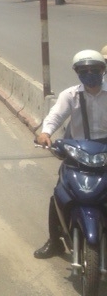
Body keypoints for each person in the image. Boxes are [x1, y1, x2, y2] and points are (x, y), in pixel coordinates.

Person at [33, 49, 107, 259]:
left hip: (106, 152)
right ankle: (54, 241)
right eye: (84, 70)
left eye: (95, 69)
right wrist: (45, 133)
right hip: (78, 152)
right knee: (60, 193)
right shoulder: (70, 95)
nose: (90, 74)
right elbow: (55, 116)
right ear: (77, 73)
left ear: (103, 70)